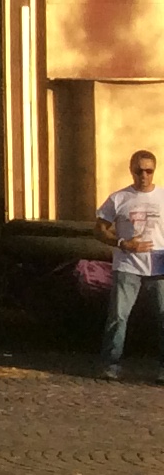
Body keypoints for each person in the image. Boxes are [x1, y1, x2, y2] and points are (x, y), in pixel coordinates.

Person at [97, 149, 163, 381]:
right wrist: (123, 243)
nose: (143, 175)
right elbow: (100, 229)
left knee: (163, 315)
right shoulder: (119, 198)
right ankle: (110, 365)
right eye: (138, 171)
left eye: (148, 171)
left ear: (154, 171)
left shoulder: (162, 197)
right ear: (131, 170)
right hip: (127, 266)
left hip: (159, 266)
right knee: (119, 316)